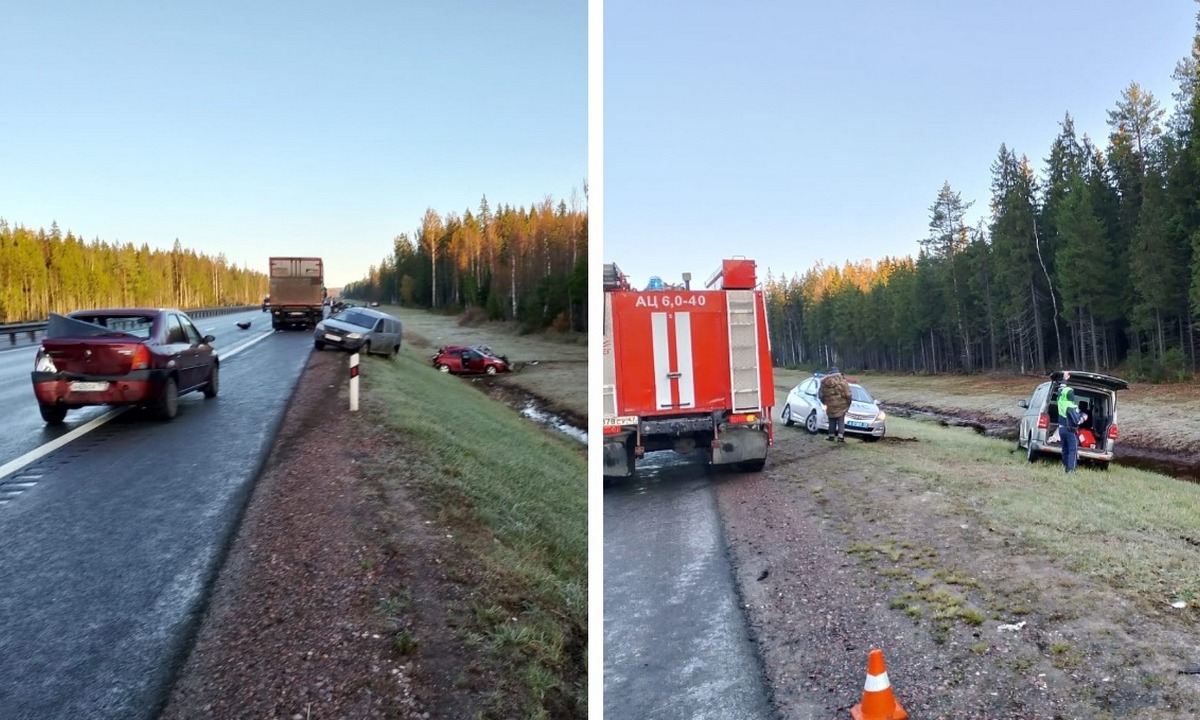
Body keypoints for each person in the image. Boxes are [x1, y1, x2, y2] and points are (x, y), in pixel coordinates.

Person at [818, 366, 853, 443]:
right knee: (841, 420)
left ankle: (831, 435)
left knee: (831, 420)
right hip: (842, 404)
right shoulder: (843, 382)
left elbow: (820, 395)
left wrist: (825, 402)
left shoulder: (824, 382)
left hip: (830, 404)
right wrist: (848, 402)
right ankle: (840, 436)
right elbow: (848, 394)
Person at [1057, 387, 1088, 473]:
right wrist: (1084, 417)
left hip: (1061, 429)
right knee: (1072, 450)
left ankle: (1065, 467)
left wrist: (1064, 381)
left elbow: (1059, 392)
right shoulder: (1071, 406)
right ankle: (1071, 470)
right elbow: (1077, 421)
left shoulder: (1060, 402)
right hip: (1070, 431)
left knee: (1065, 449)